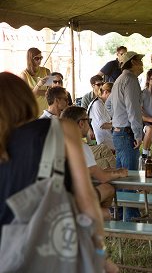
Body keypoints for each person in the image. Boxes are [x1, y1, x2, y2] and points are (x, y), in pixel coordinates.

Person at [0, 72, 118, 272]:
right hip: (56, 250)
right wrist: (99, 254)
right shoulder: (62, 129)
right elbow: (86, 199)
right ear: (26, 100)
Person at [61, 106, 128, 220]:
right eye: (89, 120)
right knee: (107, 205)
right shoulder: (80, 146)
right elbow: (103, 178)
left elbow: (91, 171)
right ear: (81, 123)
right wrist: (120, 173)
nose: (90, 124)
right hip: (70, 202)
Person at [110, 51, 144, 221]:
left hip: (119, 131)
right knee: (130, 177)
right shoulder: (130, 80)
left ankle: (122, 213)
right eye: (140, 60)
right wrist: (138, 134)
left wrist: (116, 118)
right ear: (132, 62)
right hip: (127, 132)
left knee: (122, 175)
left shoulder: (118, 80)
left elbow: (109, 104)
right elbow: (133, 110)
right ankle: (130, 217)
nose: (142, 63)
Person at [19, 47, 51, 114]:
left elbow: (50, 93)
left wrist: (35, 91)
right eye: (36, 58)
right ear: (30, 59)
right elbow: (27, 95)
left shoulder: (47, 71)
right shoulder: (24, 75)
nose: (39, 61)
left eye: (41, 58)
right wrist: (39, 85)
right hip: (32, 111)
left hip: (45, 110)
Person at [88, 82, 114, 149]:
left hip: (109, 141)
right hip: (104, 143)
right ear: (105, 92)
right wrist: (119, 125)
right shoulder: (97, 104)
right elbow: (103, 125)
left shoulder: (103, 103)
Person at [141, 69, 152, 159]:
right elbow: (139, 112)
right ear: (148, 80)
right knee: (150, 128)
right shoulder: (143, 93)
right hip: (145, 120)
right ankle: (144, 154)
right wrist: (151, 120)